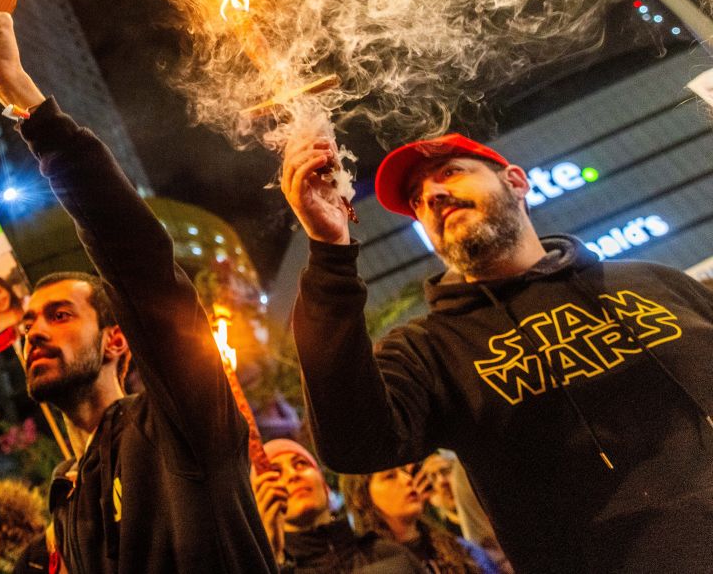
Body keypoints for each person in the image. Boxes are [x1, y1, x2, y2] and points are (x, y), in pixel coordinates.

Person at [282, 133, 713, 572]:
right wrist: (329, 253)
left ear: (517, 181)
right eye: (416, 198)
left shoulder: (655, 280)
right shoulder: (429, 351)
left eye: (450, 172)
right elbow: (354, 442)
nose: (432, 195)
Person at [0, 0, 277, 573]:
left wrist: (26, 102)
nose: (33, 334)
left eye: (59, 316)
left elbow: (139, 259)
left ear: (117, 340)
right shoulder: (66, 502)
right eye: (28, 324)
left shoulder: (180, 422)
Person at [252, 438, 423, 573]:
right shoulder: (272, 568)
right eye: (275, 472)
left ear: (324, 484)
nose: (292, 475)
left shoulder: (388, 554)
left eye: (301, 464)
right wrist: (270, 559)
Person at [337, 468, 493, 574]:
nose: (407, 479)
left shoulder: (461, 550)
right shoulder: (366, 566)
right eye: (390, 476)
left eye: (405, 472)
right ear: (361, 498)